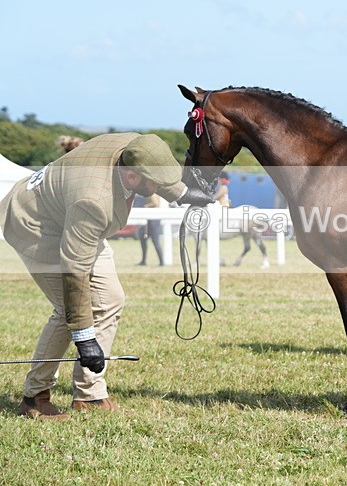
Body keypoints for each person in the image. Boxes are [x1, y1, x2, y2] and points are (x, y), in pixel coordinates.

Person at [0, 133, 213, 419]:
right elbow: (74, 269)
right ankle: (35, 396)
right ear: (132, 177)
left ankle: (88, 394)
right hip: (36, 223)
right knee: (69, 308)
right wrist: (85, 337)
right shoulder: (94, 200)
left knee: (111, 299)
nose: (159, 187)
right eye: (156, 183)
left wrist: (182, 194)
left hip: (71, 216)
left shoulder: (137, 146)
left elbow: (154, 170)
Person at [135, 194, 166, 266]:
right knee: (143, 238)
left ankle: (161, 262)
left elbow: (155, 203)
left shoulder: (152, 192)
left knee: (155, 241)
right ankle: (143, 261)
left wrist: (144, 206)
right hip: (150, 218)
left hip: (153, 219)